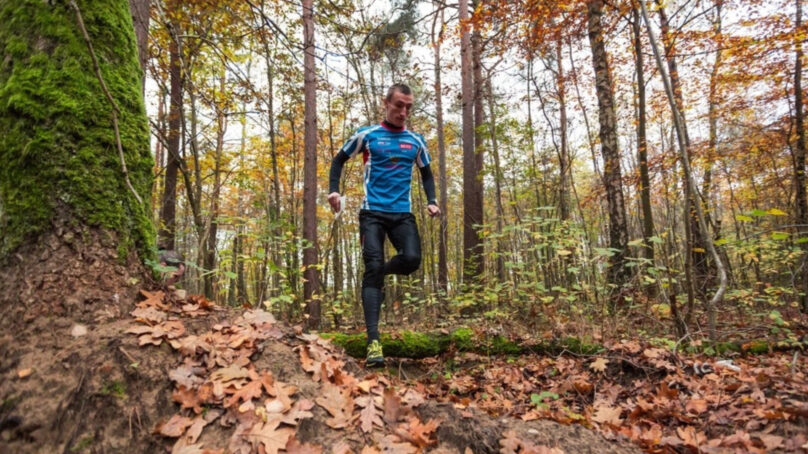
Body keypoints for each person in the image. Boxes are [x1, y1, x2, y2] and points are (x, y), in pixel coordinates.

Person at [328, 83, 441, 367]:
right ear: (386, 103)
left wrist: (432, 199)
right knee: (373, 265)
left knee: (412, 259)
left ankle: (380, 274)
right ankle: (373, 342)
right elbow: (339, 160)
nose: (404, 112)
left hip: (402, 213)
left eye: (408, 107)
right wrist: (333, 191)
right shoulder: (367, 135)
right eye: (398, 105)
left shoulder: (415, 141)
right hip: (372, 214)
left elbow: (426, 172)